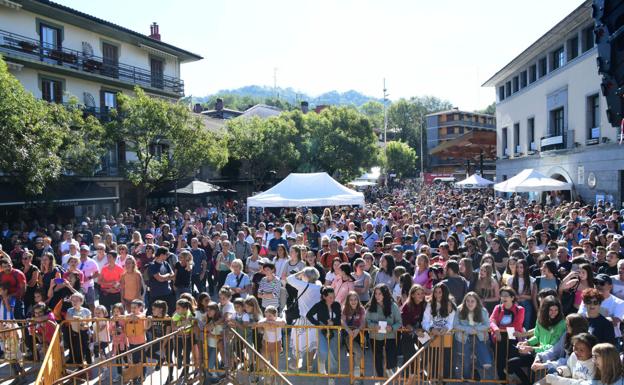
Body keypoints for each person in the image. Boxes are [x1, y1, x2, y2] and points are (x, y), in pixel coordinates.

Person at [508, 297, 566, 385]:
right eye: (550, 310)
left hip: (551, 357)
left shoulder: (561, 324)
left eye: (556, 310)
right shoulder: (540, 319)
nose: (553, 313)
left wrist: (531, 348)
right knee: (511, 364)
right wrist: (526, 343)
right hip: (537, 354)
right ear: (545, 310)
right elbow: (537, 336)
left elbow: (553, 347)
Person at [453, 292, 494, 381]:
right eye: (468, 301)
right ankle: (467, 379)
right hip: (463, 338)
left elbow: (487, 325)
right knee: (465, 360)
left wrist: (476, 328)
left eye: (472, 301)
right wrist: (468, 329)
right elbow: (455, 325)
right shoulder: (459, 309)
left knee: (485, 361)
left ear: (477, 302)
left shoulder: (483, 311)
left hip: (479, 337)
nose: (470, 303)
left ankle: (475, 370)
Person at [286, 268, 321, 371]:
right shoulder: (318, 285)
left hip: (302, 319)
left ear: (306, 276)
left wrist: (300, 272)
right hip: (314, 320)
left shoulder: (304, 285)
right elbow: (316, 280)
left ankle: (296, 365)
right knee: (312, 343)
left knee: (298, 343)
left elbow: (289, 278)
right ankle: (309, 366)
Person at [365, 284, 402, 378]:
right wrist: (373, 326)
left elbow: (399, 322)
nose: (377, 296)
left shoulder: (393, 306)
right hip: (375, 336)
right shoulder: (370, 306)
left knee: (391, 355)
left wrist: (392, 327)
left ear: (385, 294)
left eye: (380, 294)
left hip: (390, 336)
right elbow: (367, 321)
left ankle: (389, 369)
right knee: (377, 357)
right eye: (376, 294)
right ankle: (380, 376)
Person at [490, 286, 526, 380]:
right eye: (502, 296)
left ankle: (526, 381)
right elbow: (492, 321)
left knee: (513, 362)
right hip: (499, 338)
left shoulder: (520, 309)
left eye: (506, 295)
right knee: (500, 364)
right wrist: (496, 330)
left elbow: (516, 325)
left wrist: (500, 328)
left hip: (513, 338)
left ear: (512, 298)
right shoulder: (497, 308)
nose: (503, 298)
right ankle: (502, 382)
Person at [307, 286, 342, 380]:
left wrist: (333, 322)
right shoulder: (318, 305)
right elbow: (309, 315)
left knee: (334, 354)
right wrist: (318, 324)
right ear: (324, 296)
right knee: (323, 351)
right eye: (330, 297)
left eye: (333, 297)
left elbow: (339, 318)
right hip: (322, 331)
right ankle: (321, 364)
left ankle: (332, 376)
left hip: (334, 331)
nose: (332, 299)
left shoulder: (337, 305)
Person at [342, 291, 366, 384]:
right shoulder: (345, 309)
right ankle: (355, 372)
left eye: (355, 299)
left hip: (359, 334)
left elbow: (363, 322)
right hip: (349, 335)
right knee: (358, 353)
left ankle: (356, 375)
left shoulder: (361, 309)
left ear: (358, 300)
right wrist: (348, 330)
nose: (353, 301)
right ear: (348, 301)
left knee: (359, 355)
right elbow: (342, 321)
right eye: (351, 299)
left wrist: (358, 330)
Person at [148, 247, 175, 315]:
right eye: (167, 254)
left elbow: (173, 275)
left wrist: (164, 277)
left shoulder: (166, 263)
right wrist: (168, 275)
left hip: (167, 293)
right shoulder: (152, 265)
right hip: (156, 295)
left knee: (169, 314)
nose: (168, 256)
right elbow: (159, 279)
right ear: (161, 255)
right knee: (154, 315)